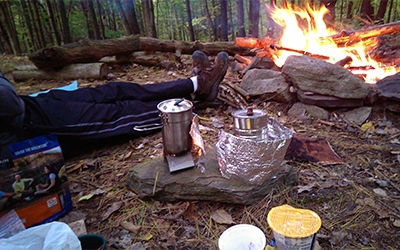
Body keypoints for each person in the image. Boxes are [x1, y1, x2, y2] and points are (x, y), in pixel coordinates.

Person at [0, 51, 229, 159]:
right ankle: (192, 102)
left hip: (32, 104)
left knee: (115, 90)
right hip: (24, 130)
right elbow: (9, 104)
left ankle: (195, 84)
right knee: (120, 113)